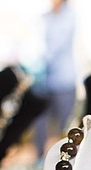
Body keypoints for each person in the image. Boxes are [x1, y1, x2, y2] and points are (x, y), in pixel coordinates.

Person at [33, 0, 78, 156]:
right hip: (43, 81)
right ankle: (39, 158)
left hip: (64, 80)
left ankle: (66, 159)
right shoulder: (44, 17)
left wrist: (41, 59)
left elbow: (59, 45)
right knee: (39, 122)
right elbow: (35, 42)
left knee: (65, 125)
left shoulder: (70, 16)